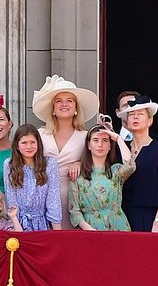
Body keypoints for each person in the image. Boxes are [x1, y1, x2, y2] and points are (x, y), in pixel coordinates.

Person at [31, 75, 126, 229]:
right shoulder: (39, 134)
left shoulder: (85, 137)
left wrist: (79, 163)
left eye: (69, 100)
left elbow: (96, 161)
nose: (64, 104)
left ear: (76, 108)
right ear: (53, 109)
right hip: (43, 193)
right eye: (59, 101)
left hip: (74, 196)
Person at [119, 96, 158, 233]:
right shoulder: (119, 150)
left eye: (140, 114)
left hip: (151, 217)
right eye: (131, 115)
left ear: (150, 120)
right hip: (122, 216)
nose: (135, 118)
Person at [69, 124, 135, 232]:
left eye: (105, 140)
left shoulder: (116, 171)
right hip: (91, 229)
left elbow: (131, 166)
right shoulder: (78, 175)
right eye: (95, 140)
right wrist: (89, 229)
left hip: (118, 226)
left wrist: (118, 138)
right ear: (88, 145)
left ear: (110, 146)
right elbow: (74, 211)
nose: (100, 144)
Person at [3, 124, 61, 232]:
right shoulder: (9, 165)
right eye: (24, 143)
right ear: (17, 145)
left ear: (38, 144)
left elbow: (53, 200)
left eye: (32, 142)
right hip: (18, 224)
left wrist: (58, 232)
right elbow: (11, 199)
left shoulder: (50, 164)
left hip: (42, 224)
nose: (29, 147)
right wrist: (16, 224)